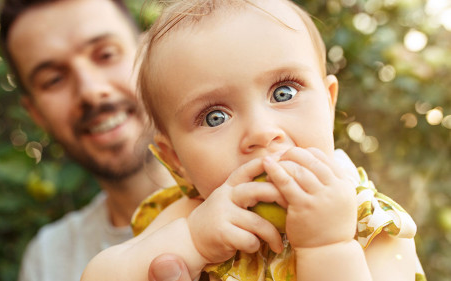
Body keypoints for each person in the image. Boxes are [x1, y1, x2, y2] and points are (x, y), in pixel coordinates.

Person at [81, 0, 426, 280]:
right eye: (215, 116)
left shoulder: (367, 220)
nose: (261, 131)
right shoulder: (193, 216)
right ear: (176, 161)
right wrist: (194, 241)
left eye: (284, 92)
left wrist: (328, 247)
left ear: (329, 102)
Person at [0, 0, 190, 280]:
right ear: (36, 113)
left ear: (149, 53)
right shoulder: (48, 259)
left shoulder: (261, 188)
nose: (90, 90)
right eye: (53, 80)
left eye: (106, 54)